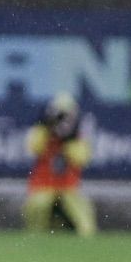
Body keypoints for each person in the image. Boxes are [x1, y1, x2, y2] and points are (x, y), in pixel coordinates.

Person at [22, 92, 97, 237]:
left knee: (85, 223)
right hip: (43, 188)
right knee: (38, 207)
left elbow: (82, 158)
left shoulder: (78, 137)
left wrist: (69, 139)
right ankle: (35, 239)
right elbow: (33, 147)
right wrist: (46, 126)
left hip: (69, 189)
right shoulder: (43, 133)